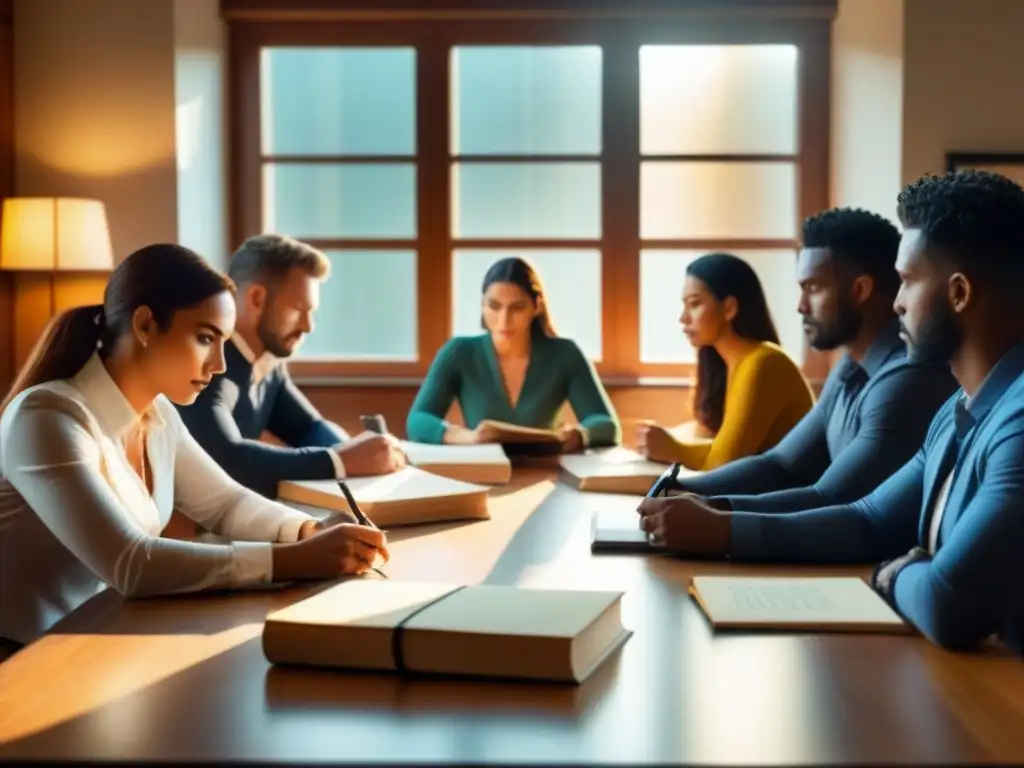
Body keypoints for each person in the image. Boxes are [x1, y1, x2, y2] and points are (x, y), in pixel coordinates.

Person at [638, 170, 1024, 653]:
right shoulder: (956, 410)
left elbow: (948, 602)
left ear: (960, 293)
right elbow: (869, 521)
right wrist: (721, 526)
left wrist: (894, 567)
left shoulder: (1018, 419)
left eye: (905, 281)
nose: (897, 303)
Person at [0, 244, 389, 649]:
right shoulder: (45, 416)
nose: (219, 364)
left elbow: (225, 503)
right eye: (205, 338)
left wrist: (307, 530)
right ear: (146, 325)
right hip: (17, 657)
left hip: (90, 637)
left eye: (223, 341)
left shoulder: (158, 414)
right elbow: (131, 564)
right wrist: (298, 559)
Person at [658, 209, 958, 510]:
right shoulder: (850, 367)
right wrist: (676, 489)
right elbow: (780, 464)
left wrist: (707, 509)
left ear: (860, 290)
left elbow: (831, 498)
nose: (801, 306)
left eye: (813, 288)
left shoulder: (905, 377)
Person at [178, 234, 405, 499]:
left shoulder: (268, 364)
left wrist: (365, 450)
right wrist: (340, 461)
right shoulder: (210, 365)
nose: (309, 326)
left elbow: (308, 428)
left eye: (312, 312)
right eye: (299, 309)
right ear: (255, 298)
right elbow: (226, 457)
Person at [406, 256, 620, 451]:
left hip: (548, 475)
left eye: (517, 308)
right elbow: (418, 420)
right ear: (482, 306)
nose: (504, 320)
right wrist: (469, 437)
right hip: (482, 473)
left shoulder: (565, 354)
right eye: (494, 306)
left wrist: (580, 435)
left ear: (536, 307)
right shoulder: (459, 352)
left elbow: (607, 425)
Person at [637, 252, 814, 471]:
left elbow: (723, 465)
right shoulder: (730, 364)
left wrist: (674, 450)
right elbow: (722, 448)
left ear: (729, 308)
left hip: (789, 501)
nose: (683, 317)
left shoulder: (764, 363)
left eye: (694, 304)